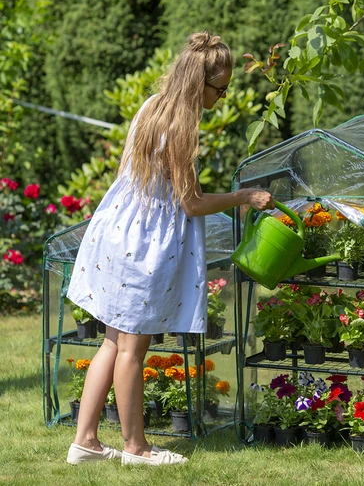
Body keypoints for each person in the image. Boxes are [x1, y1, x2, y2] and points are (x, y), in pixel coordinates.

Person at [65, 31, 274, 466]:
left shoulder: (151, 107)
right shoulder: (180, 126)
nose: (223, 95)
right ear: (200, 83)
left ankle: (85, 441)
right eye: (221, 88)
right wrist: (244, 197)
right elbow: (191, 203)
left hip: (116, 232)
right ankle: (136, 448)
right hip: (143, 247)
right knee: (131, 349)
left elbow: (133, 177)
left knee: (111, 342)